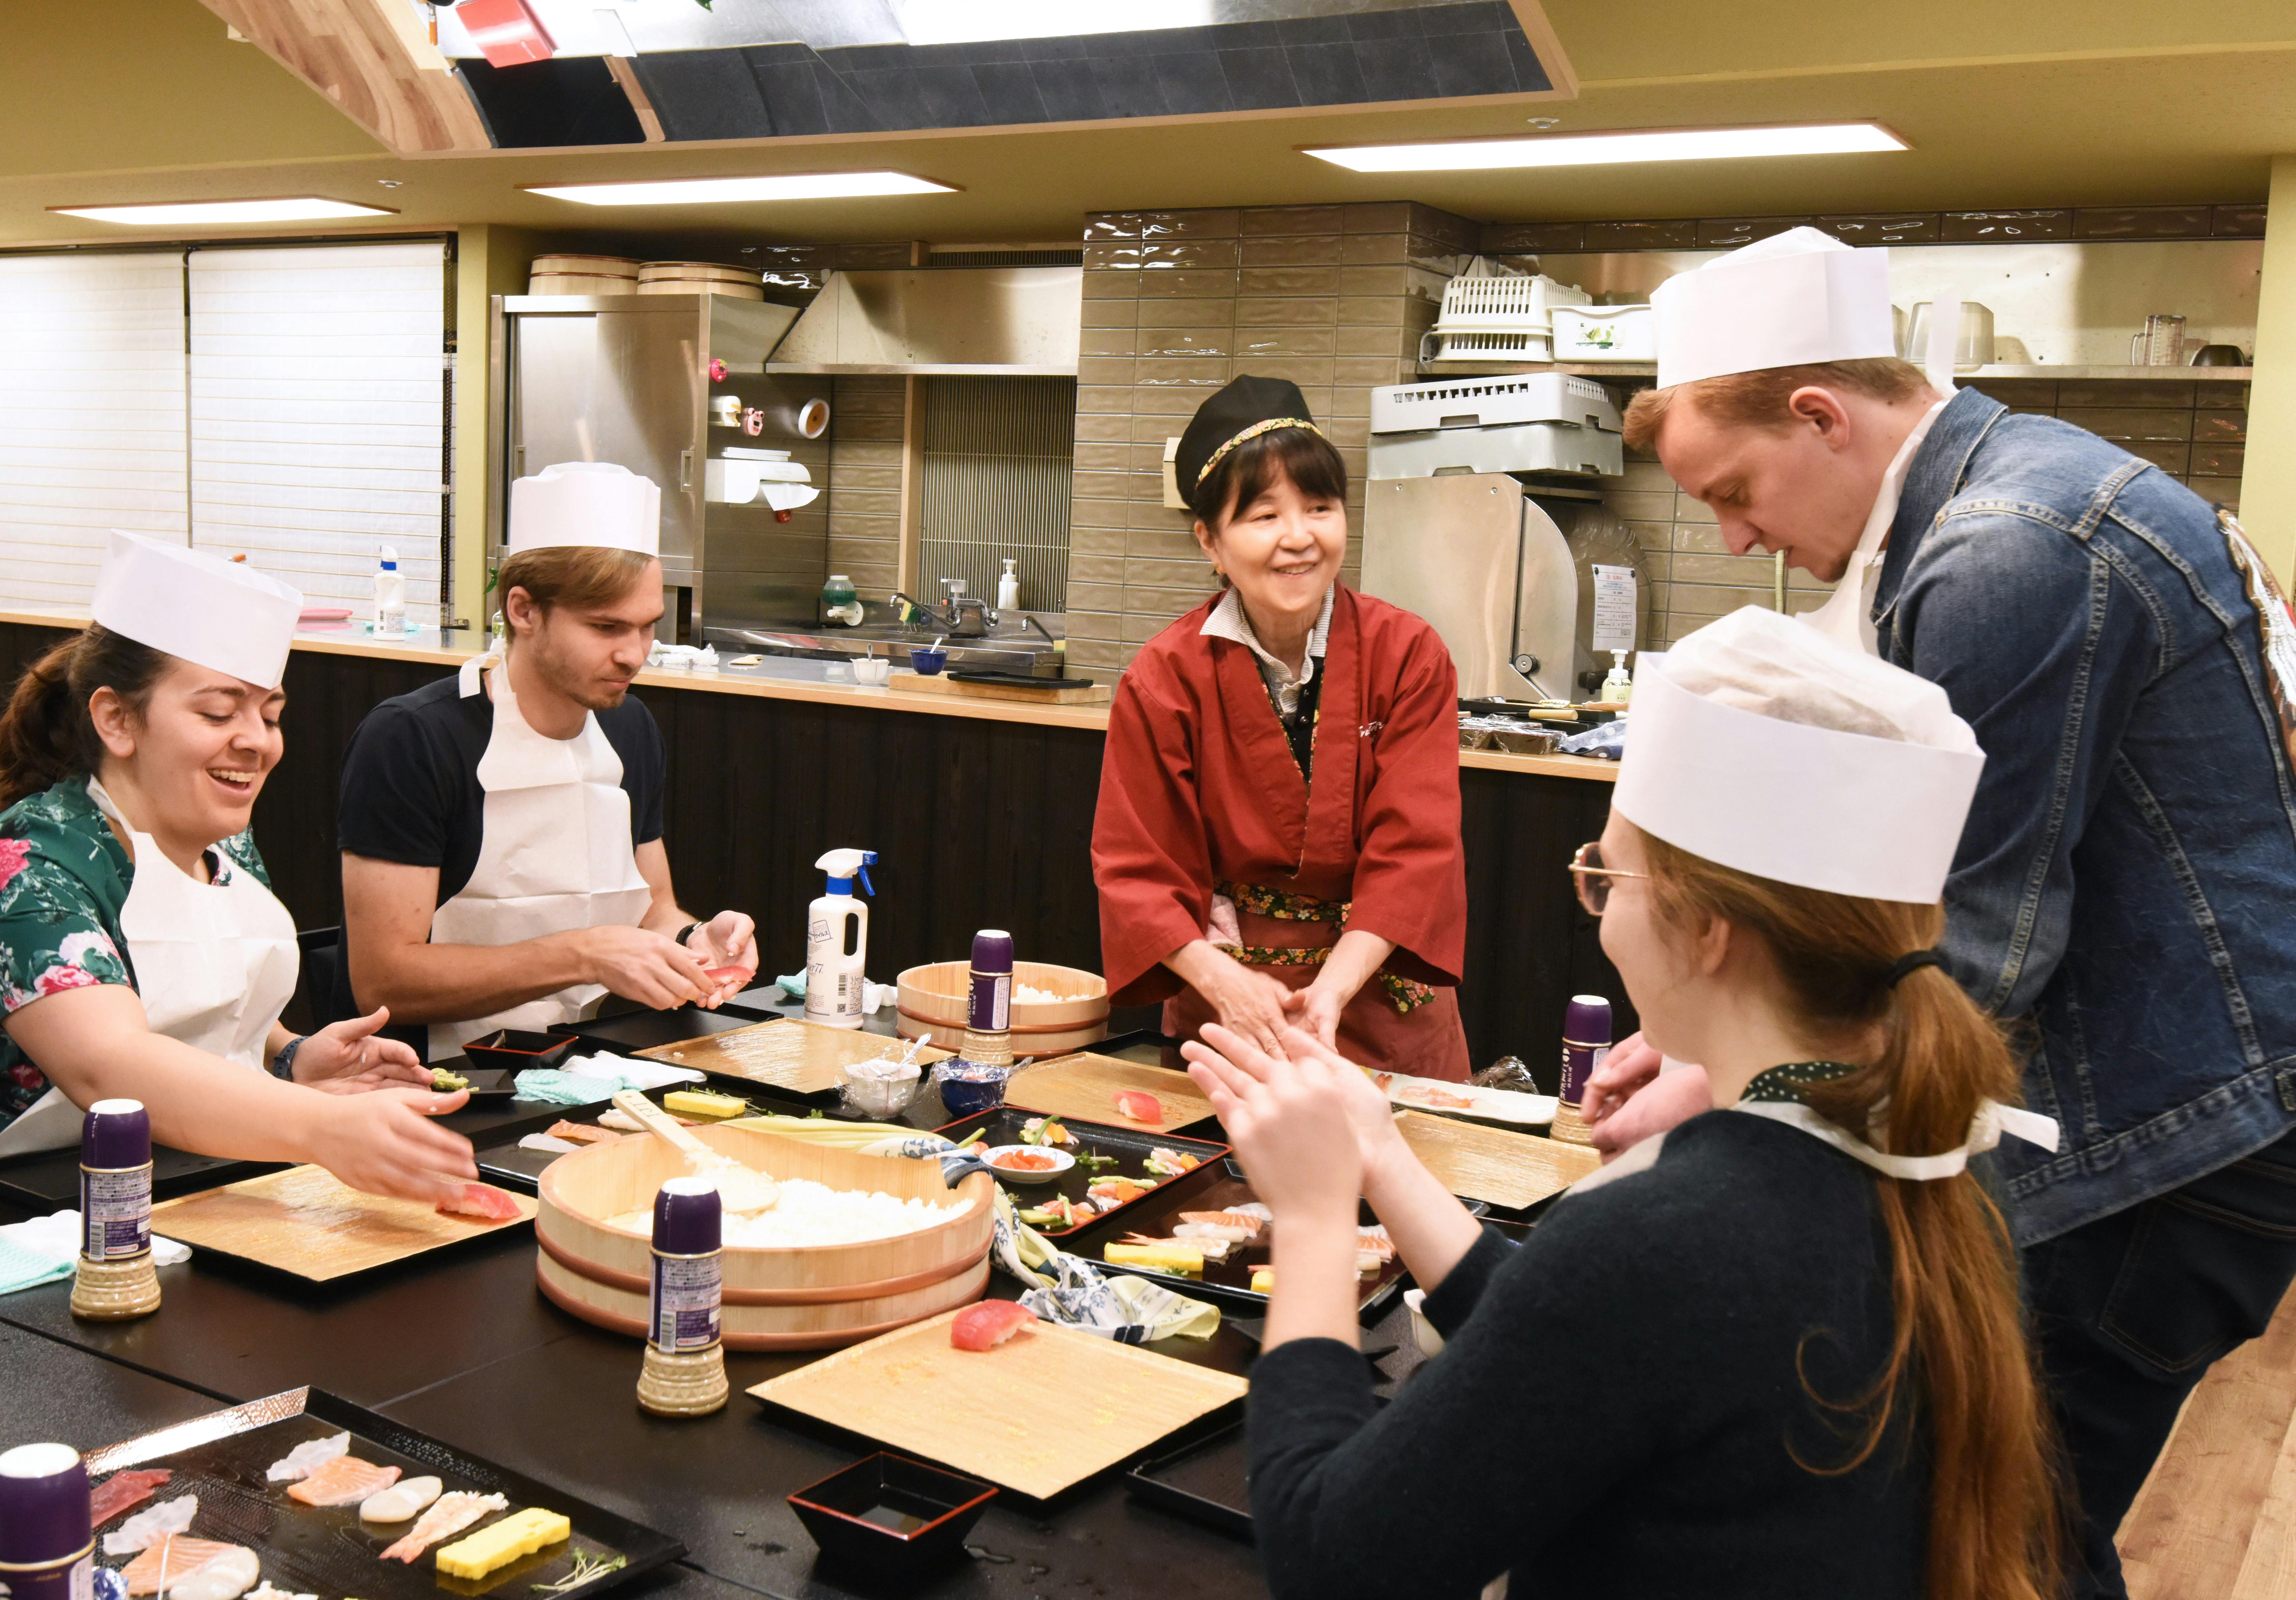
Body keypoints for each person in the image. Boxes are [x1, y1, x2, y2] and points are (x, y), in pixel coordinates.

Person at [1582, 226, 2296, 1598]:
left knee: (2000, 1542)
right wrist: (1693, 1045)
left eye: (1733, 491)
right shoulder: (2022, 492)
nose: (1736, 536)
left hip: (2164, 1145)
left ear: (1820, 416)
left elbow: (1968, 944)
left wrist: (1735, 1080)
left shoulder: (2008, 552)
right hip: (2193, 1114)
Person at [1186, 604, 2062, 1600]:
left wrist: (1311, 1220)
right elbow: (1588, 1342)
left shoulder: (1667, 1235)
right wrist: (1377, 1156)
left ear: (1708, 928)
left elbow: (1332, 1560)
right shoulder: (1940, 1151)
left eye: (1606, 877)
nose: (1599, 914)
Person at [0, 532, 476, 1202]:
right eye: (219, 712)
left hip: (207, 1178)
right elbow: (110, 1064)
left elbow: (204, 992)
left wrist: (291, 1055)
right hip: (52, 1211)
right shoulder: (34, 863)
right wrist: (322, 1125)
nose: (257, 741)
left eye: (270, 715)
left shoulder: (226, 842)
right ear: (117, 719)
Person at [1091, 376, 1471, 1081]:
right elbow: (1138, 868)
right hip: (1232, 1009)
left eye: (1320, 507)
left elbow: (1417, 849)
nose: (1299, 537)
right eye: (1264, 515)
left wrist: (1331, 991)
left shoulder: (1409, 654)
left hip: (1378, 1002)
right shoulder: (1164, 677)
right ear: (1210, 540)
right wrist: (1226, 984)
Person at [337, 462, 757, 1061]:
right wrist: (583, 955)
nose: (634, 654)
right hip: (436, 1079)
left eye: (647, 628)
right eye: (606, 627)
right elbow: (383, 981)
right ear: (524, 611)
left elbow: (652, 909)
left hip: (593, 1063)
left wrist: (697, 939)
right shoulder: (413, 739)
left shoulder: (630, 727)